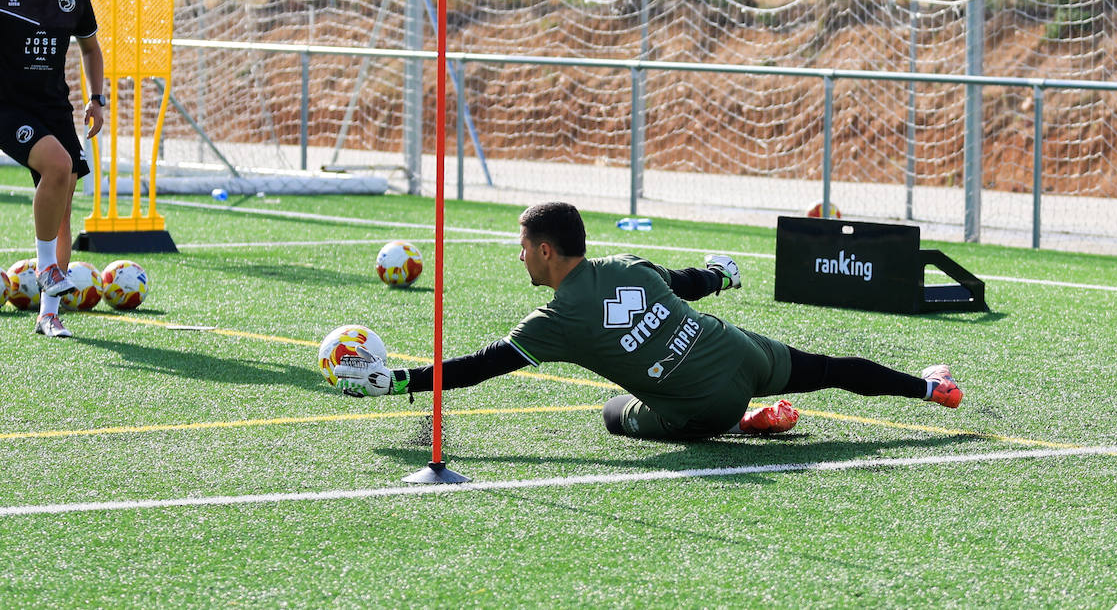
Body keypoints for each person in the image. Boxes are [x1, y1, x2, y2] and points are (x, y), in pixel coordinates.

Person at [335, 201, 962, 440]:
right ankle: (931, 387)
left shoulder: (553, 321)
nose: (519, 255)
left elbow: (478, 369)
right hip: (739, 351)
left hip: (703, 411)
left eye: (524, 246)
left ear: (547, 252)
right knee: (829, 369)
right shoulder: (627, 264)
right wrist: (720, 275)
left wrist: (397, 382)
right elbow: (681, 282)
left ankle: (742, 421)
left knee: (612, 412)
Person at [0, 0, 105, 338]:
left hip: (53, 108)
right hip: (8, 108)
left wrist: (97, 99)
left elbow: (91, 49)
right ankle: (46, 268)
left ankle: (48, 314)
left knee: (63, 204)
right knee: (59, 166)